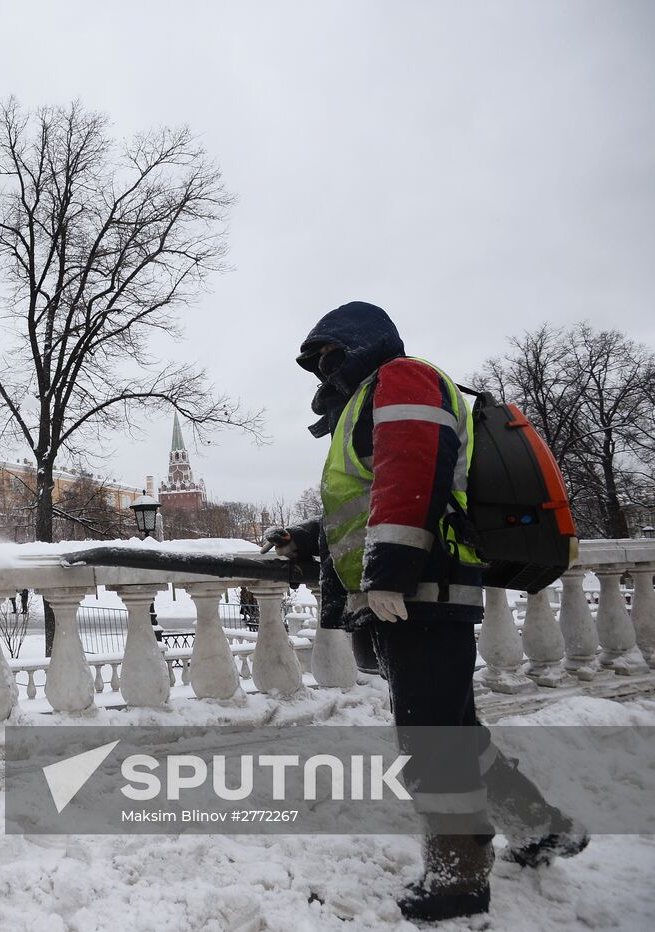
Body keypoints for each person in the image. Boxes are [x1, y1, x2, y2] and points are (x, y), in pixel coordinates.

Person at [264, 301, 586, 923]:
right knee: (455, 730)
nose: (324, 371)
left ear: (360, 344)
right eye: (319, 363)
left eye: (330, 356)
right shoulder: (363, 403)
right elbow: (366, 498)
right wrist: (306, 539)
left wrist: (390, 572)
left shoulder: (402, 378)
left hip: (421, 593)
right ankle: (542, 826)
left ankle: (459, 877)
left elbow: (415, 475)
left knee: (431, 740)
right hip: (413, 593)